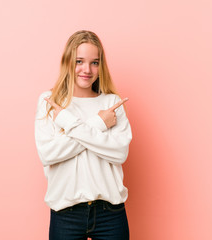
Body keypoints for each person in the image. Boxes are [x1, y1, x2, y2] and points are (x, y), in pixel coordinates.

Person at [34, 30, 132, 240]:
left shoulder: (111, 103)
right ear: (68, 61)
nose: (87, 69)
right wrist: (99, 124)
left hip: (110, 214)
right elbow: (49, 154)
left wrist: (68, 123)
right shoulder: (50, 102)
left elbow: (119, 153)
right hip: (66, 214)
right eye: (79, 61)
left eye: (94, 63)